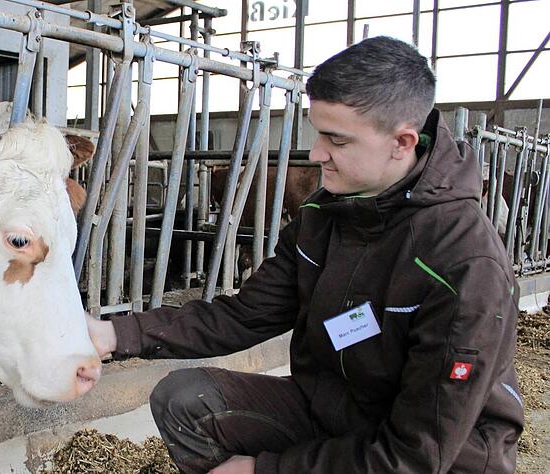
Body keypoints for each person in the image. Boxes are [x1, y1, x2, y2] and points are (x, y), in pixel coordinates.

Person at [86, 36, 524, 473]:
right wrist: (115, 336)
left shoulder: (464, 265)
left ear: (402, 142)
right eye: (318, 133)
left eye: (337, 140)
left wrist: (265, 470)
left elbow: (413, 456)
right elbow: (243, 315)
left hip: (437, 457)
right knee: (186, 399)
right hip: (336, 413)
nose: (316, 154)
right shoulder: (324, 214)